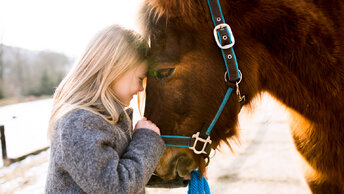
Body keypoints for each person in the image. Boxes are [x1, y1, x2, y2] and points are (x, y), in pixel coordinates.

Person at [45, 24, 166, 194]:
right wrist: (146, 140)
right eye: (140, 79)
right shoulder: (77, 124)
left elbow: (127, 171)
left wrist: (179, 175)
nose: (140, 89)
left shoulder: (106, 118)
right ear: (115, 69)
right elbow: (115, 187)